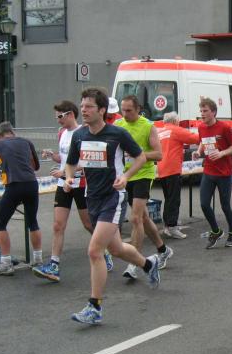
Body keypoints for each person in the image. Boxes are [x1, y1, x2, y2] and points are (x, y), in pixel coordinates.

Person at [65, 87, 161, 325]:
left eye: (89, 106)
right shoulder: (79, 135)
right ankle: (149, 264)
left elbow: (140, 157)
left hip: (112, 197)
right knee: (116, 249)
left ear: (102, 110)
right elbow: (71, 163)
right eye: (82, 105)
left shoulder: (116, 133)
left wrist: (126, 177)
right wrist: (68, 178)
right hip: (92, 197)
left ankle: (94, 306)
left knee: (94, 251)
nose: (84, 110)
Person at [34, 101, 111, 282]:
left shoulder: (83, 133)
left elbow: (87, 162)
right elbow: (65, 159)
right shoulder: (62, 133)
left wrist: (65, 172)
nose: (58, 120)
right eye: (56, 117)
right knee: (58, 225)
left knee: (88, 224)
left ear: (70, 114)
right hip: (64, 183)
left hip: (81, 183)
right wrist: (52, 156)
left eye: (60, 116)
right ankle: (54, 266)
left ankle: (106, 251)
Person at [115, 96, 173, 279]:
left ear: (138, 109)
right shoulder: (118, 124)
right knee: (144, 218)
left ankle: (134, 263)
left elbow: (159, 154)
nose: (125, 114)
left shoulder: (148, 126)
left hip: (143, 174)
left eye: (129, 110)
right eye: (123, 110)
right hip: (125, 175)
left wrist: (138, 154)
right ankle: (163, 250)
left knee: (135, 218)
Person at [0, 122, 42, 275]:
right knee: (32, 222)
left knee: (0, 223)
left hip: (14, 186)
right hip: (31, 184)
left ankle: (5, 264)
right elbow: (36, 166)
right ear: (12, 132)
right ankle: (38, 260)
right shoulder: (26, 142)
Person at [193, 97, 232, 248]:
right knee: (204, 204)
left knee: (225, 206)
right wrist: (198, 152)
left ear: (213, 112)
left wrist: (222, 153)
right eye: (201, 111)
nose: (202, 114)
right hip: (209, 170)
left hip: (224, 173)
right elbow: (202, 141)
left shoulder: (224, 127)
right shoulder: (201, 127)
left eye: (205, 111)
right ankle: (216, 231)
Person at [156, 111, 200, 239]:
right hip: (172, 168)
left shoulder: (160, 132)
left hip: (161, 168)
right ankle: (172, 227)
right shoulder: (176, 130)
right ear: (175, 121)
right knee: (174, 199)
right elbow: (195, 138)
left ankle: (168, 225)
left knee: (168, 198)